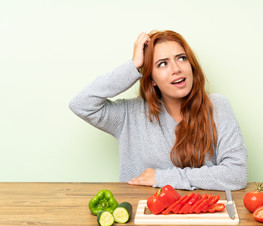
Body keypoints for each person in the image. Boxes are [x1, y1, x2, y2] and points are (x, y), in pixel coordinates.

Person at [69, 30, 248, 190]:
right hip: (143, 217)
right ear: (151, 79)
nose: (176, 69)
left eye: (181, 58)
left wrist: (161, 177)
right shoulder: (128, 115)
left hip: (201, 216)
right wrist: (133, 66)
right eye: (162, 64)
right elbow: (81, 104)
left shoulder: (217, 107)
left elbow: (236, 174)